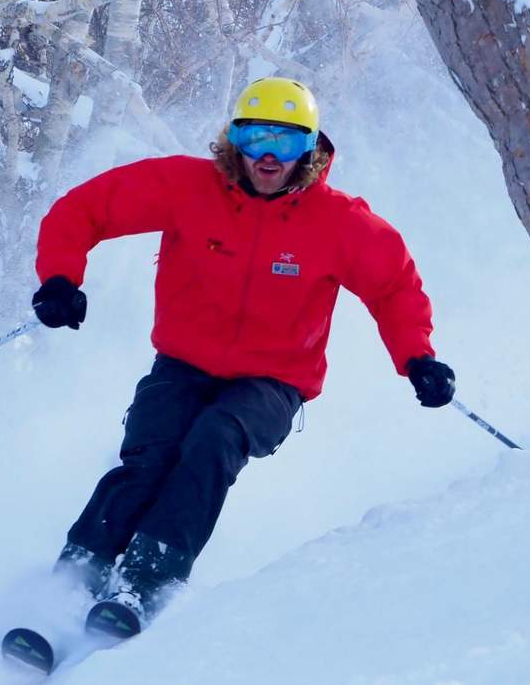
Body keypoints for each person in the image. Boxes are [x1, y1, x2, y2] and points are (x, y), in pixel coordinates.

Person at [30, 76, 455, 630]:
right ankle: (72, 582)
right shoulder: (186, 187)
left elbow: (393, 286)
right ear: (234, 140)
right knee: (149, 457)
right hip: (182, 364)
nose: (269, 155)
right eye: (255, 138)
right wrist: (60, 279)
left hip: (273, 380)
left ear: (311, 148)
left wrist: (418, 357)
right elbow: (84, 209)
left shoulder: (339, 222)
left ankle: (144, 585)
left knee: (214, 439)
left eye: (286, 140)